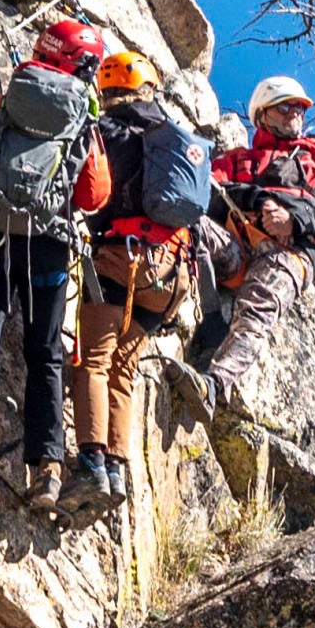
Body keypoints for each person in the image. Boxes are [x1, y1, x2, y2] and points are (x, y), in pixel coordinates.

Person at [0, 17, 113, 513]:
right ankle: (48, 472)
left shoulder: (0, 106)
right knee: (45, 355)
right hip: (49, 251)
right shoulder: (82, 116)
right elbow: (96, 195)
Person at [69, 48, 211, 512]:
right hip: (170, 277)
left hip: (119, 259)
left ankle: (91, 464)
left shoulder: (104, 132)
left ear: (107, 93)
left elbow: (84, 190)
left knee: (93, 360)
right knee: (123, 369)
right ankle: (117, 468)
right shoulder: (174, 136)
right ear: (149, 87)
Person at [189, 76, 315, 409]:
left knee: (258, 306)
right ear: (263, 115)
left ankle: (215, 384)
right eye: (286, 106)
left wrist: (295, 221)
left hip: (288, 252)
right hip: (235, 244)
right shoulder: (237, 159)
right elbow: (205, 189)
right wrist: (257, 200)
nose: (296, 113)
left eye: (300, 107)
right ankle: (207, 319)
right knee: (188, 228)